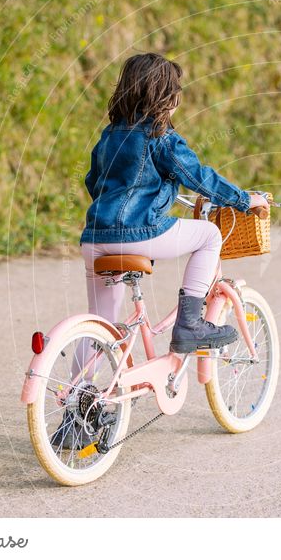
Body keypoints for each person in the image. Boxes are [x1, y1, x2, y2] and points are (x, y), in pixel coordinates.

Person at [51, 52, 268, 449]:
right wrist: (242, 199)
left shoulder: (108, 136)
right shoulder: (160, 137)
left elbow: (93, 182)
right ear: (166, 97)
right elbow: (197, 176)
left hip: (94, 238)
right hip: (137, 233)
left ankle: (76, 412)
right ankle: (190, 323)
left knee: (101, 325)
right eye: (177, 93)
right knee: (207, 236)